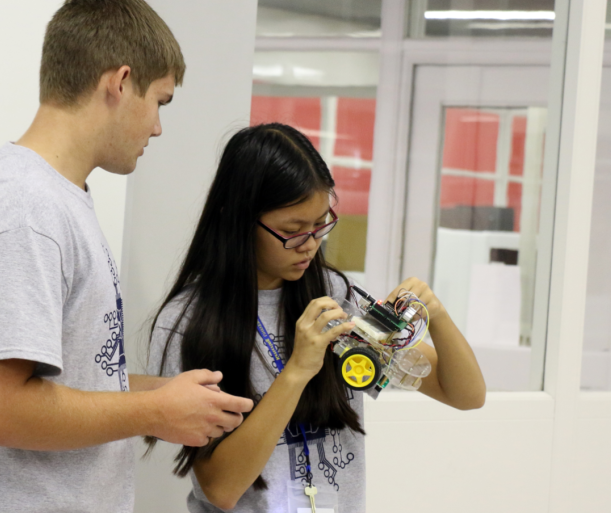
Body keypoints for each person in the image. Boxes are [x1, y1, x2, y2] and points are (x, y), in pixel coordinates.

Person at [0, 2, 254, 512]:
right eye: (159, 102)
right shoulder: (27, 206)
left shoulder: (50, 196)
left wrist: (169, 396)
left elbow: (70, 382)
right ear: (119, 83)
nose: (159, 128)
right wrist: (153, 412)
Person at [147, 123, 487, 512]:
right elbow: (220, 489)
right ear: (239, 220)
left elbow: (466, 395)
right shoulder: (190, 323)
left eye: (321, 225)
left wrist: (436, 317)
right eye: (292, 231)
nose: (310, 244)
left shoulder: (337, 296)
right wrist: (296, 371)